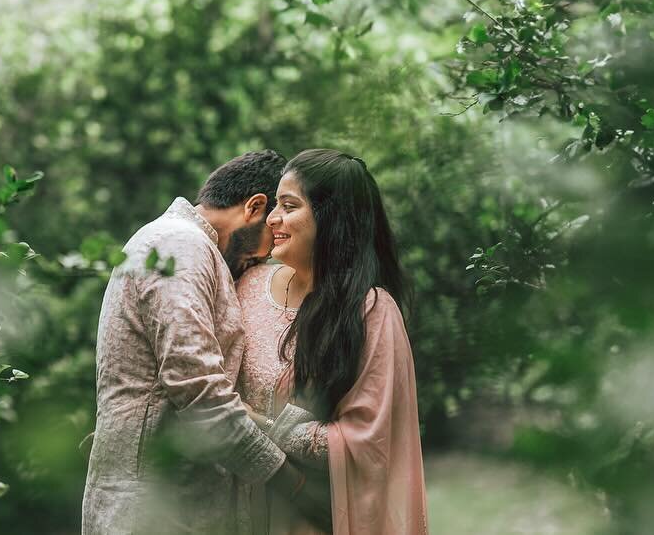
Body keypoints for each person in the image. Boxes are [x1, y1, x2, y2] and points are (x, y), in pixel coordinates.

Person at [82, 150, 324, 535]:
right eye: (252, 258)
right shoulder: (181, 246)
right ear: (254, 207)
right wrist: (294, 486)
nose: (250, 268)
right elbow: (201, 394)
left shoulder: (174, 243)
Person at [235, 149, 428, 535]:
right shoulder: (248, 285)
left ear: (331, 218)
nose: (273, 218)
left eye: (289, 206)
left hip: (310, 516)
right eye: (276, 204)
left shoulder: (369, 311)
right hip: (234, 509)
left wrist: (258, 424)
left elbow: (366, 444)